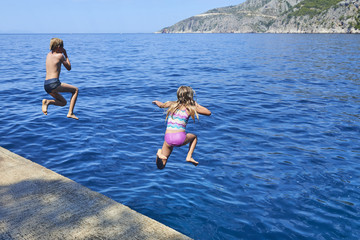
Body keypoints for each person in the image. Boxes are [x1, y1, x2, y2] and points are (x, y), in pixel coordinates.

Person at [152, 86, 211, 169]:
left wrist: (155, 102)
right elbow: (208, 112)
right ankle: (189, 156)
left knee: (161, 166)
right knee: (194, 137)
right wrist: (196, 104)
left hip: (168, 138)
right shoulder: (190, 107)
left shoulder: (172, 104)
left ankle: (159, 153)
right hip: (179, 138)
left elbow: (161, 105)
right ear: (190, 96)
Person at [42, 38, 79, 120]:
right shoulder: (60, 56)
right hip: (54, 83)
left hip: (46, 85)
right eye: (62, 47)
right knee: (75, 90)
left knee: (63, 103)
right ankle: (70, 113)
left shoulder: (48, 54)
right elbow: (69, 68)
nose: (63, 49)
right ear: (58, 47)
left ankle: (47, 102)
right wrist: (66, 55)